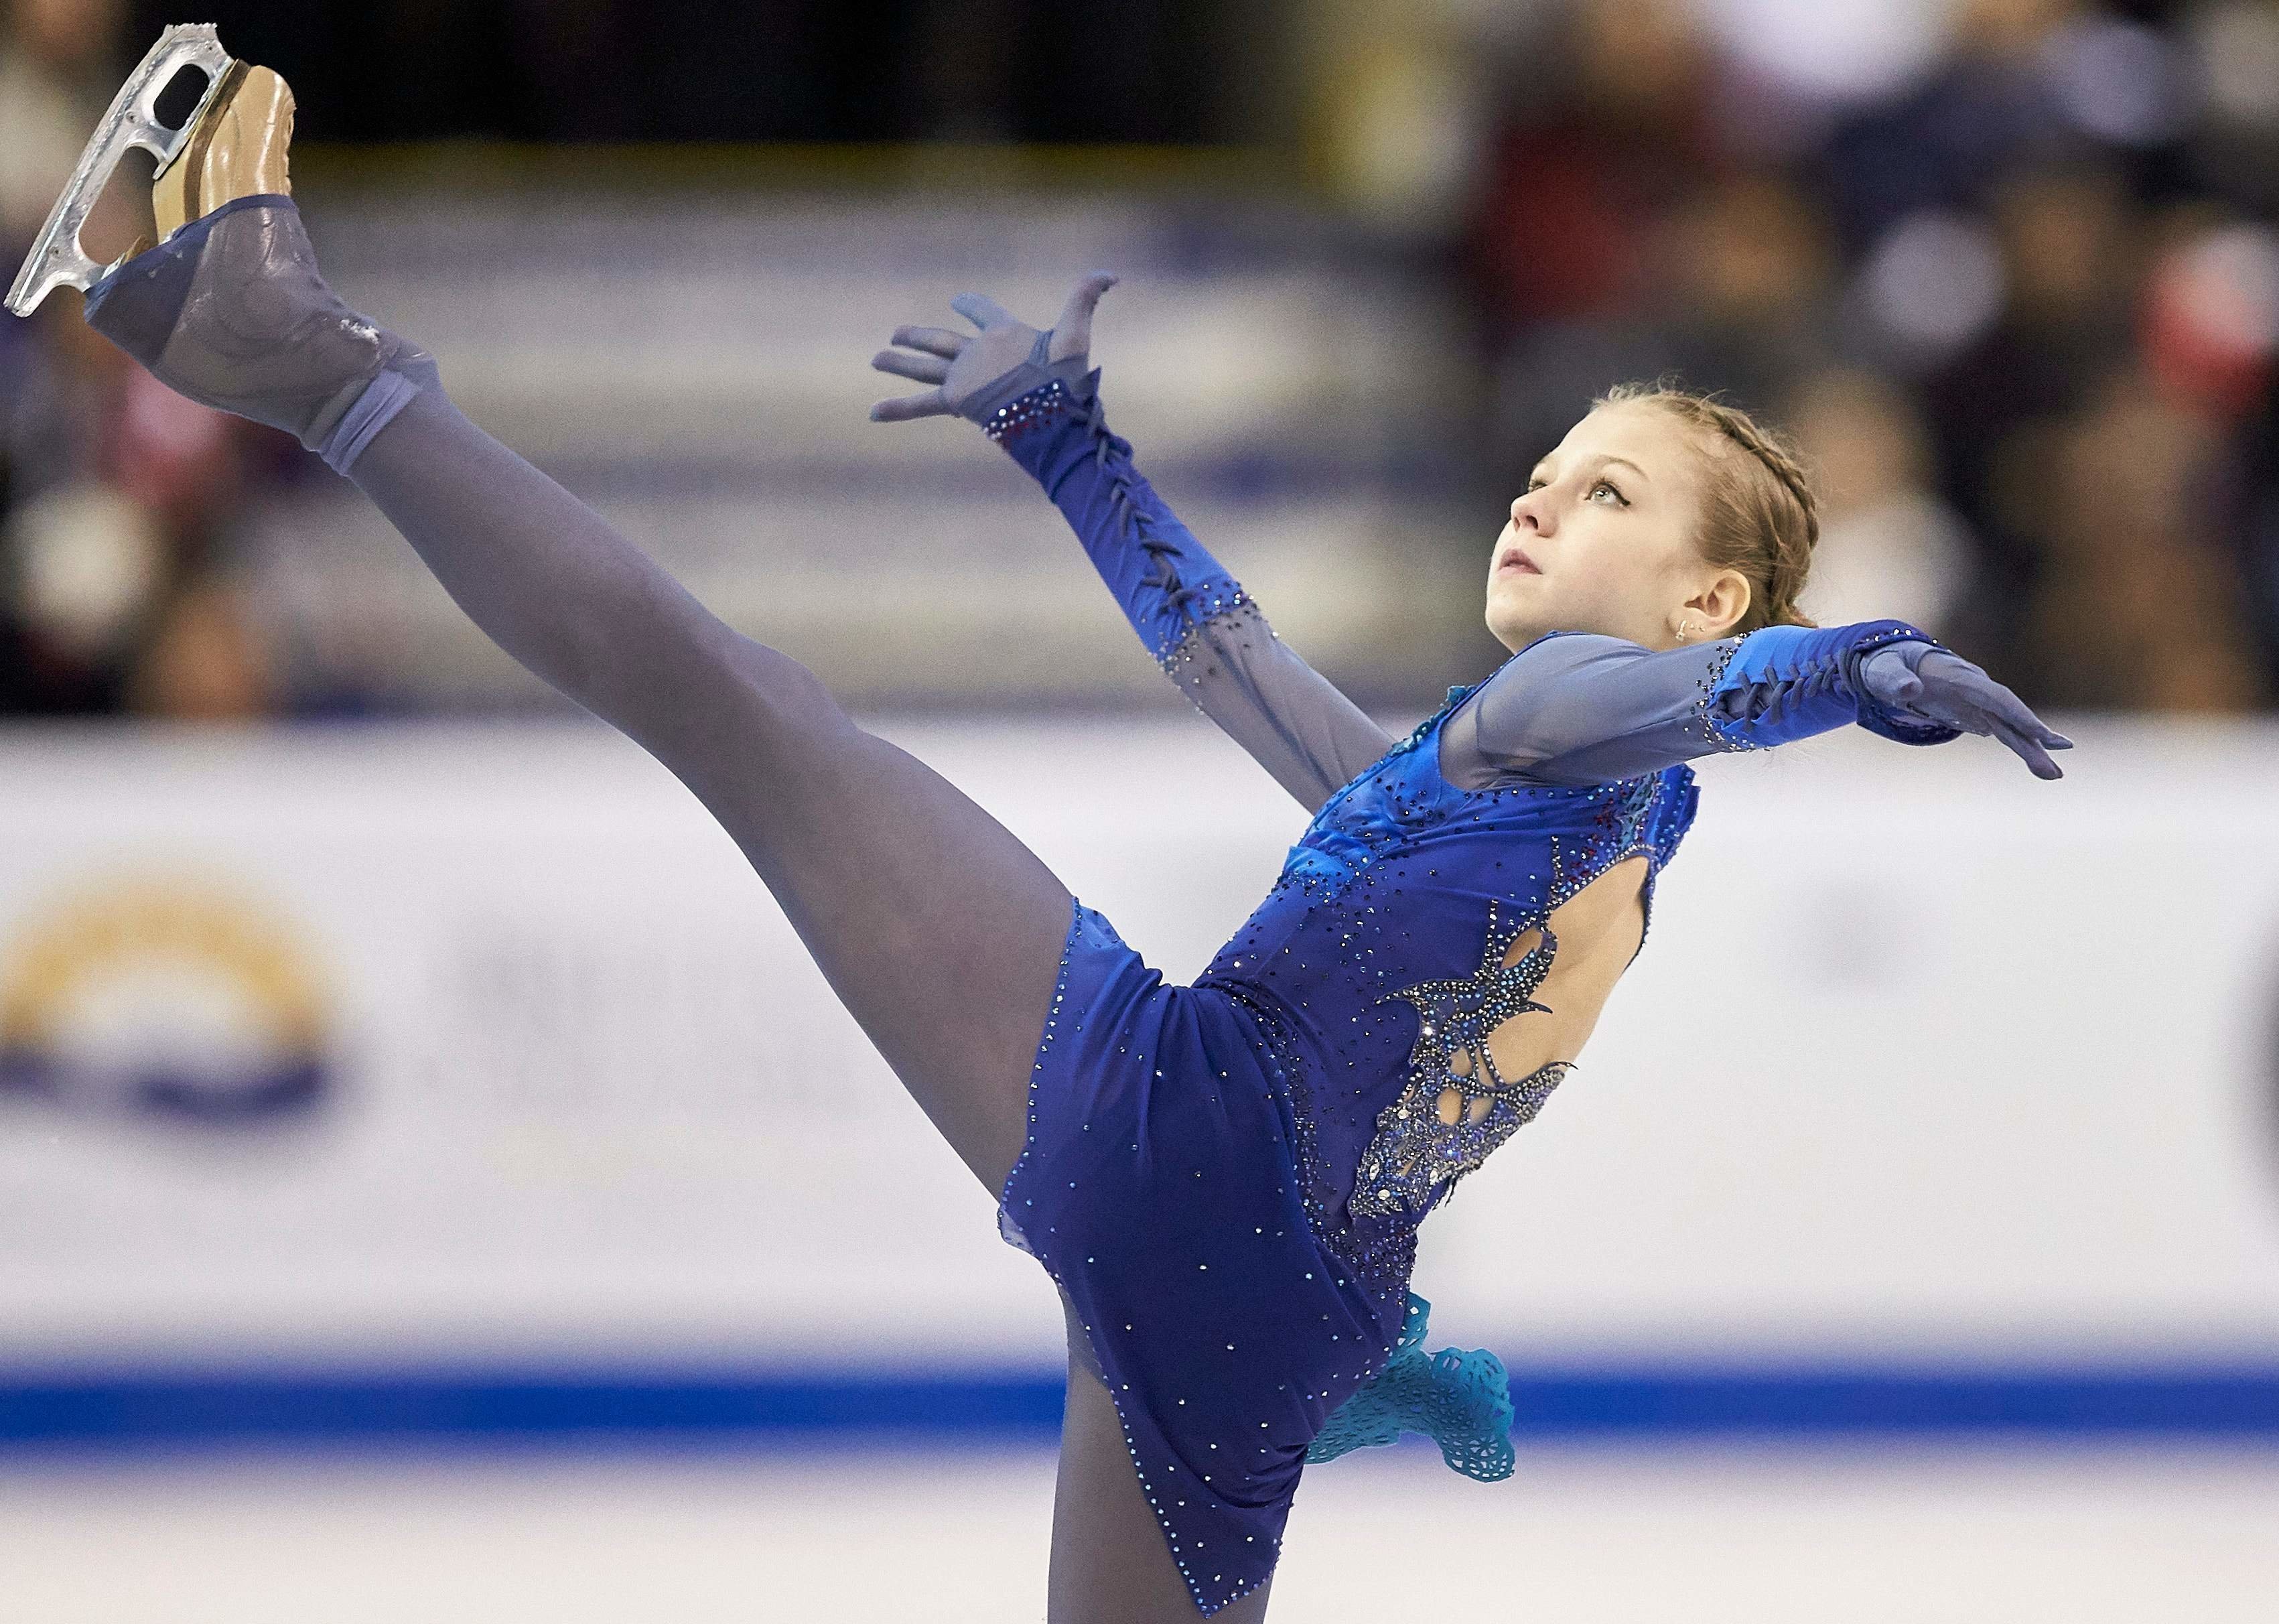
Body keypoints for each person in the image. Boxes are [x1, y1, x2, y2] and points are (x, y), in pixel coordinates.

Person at [55, 92, 2067, 1623]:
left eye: (1607, 490)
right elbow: (1245, 676)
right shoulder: (1525, 786)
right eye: (1545, 468)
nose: (1540, 499)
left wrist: (1857, 664)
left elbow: (1713, 700)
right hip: (1262, 1300)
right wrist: (1075, 452)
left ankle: (301, 358)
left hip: (1185, 1143)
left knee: (745, 715)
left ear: (1705, 598)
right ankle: (274, 343)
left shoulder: (1587, 725)